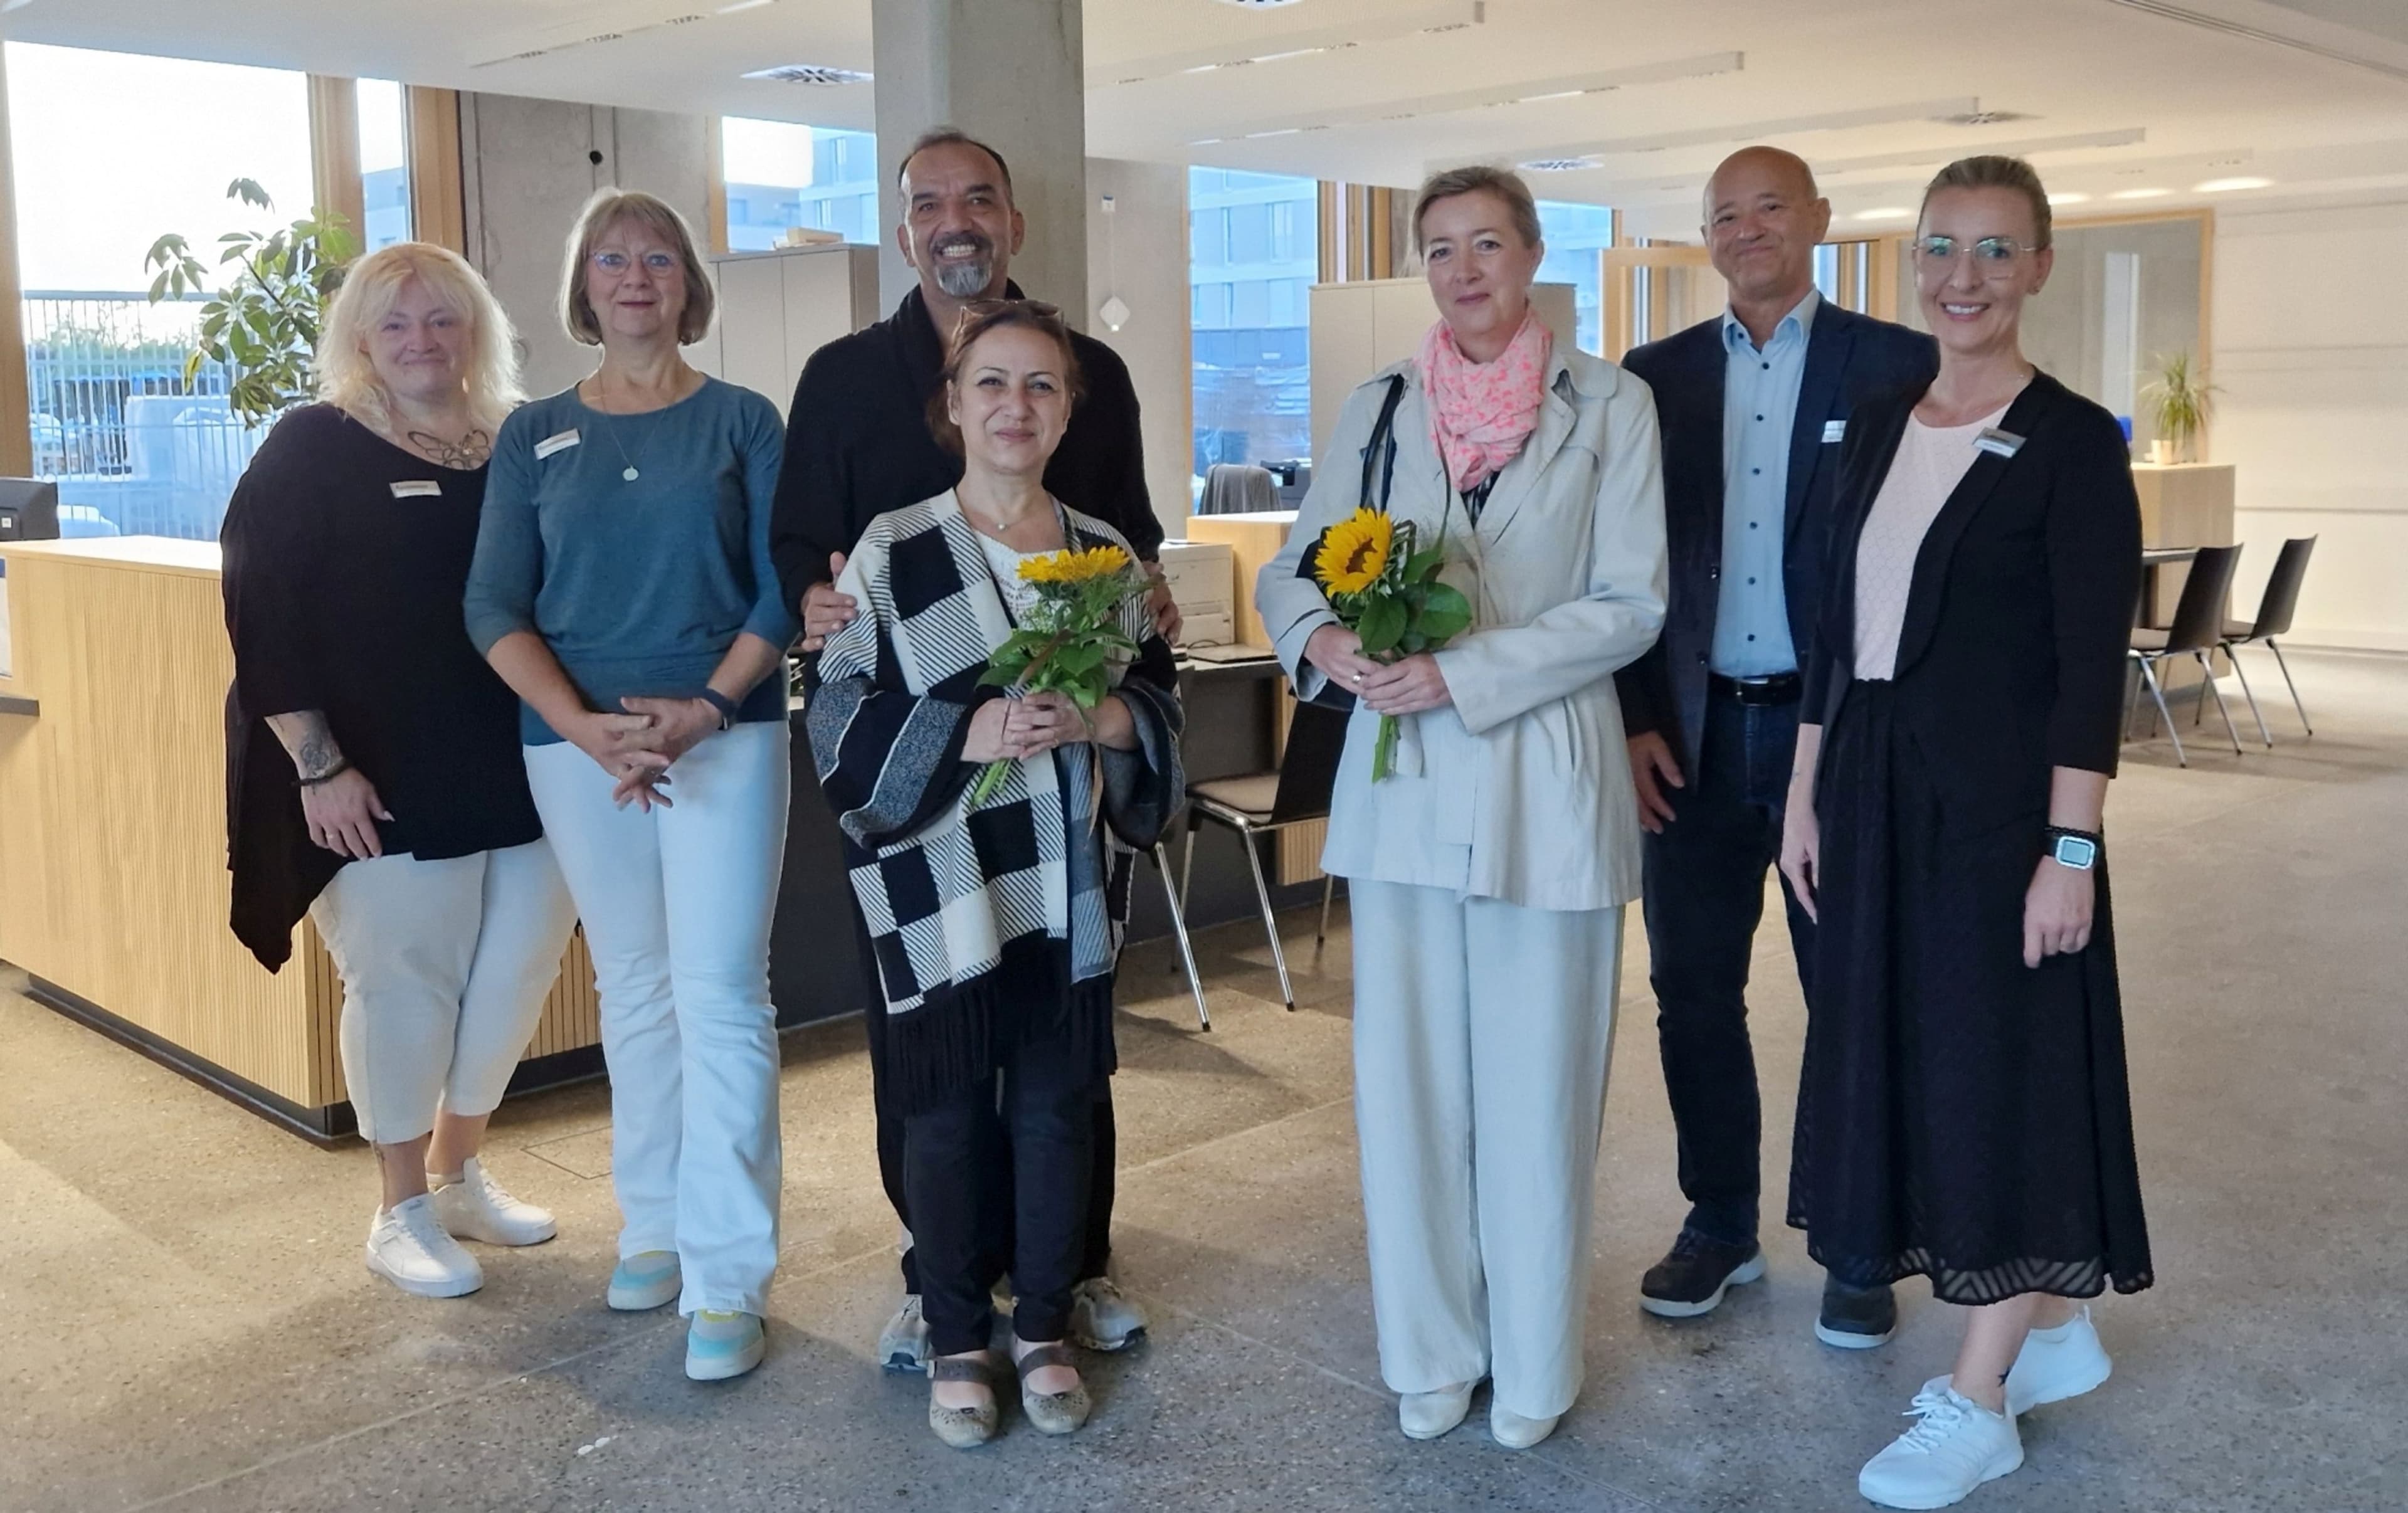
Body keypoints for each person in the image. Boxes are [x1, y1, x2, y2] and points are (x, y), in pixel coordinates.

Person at [1257, 166, 1666, 1450]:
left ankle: (1536, 1363)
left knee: (1541, 1088)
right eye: (1441, 249)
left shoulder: (1612, 404)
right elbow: (1295, 567)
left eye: (1488, 243)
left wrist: (1465, 671)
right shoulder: (1380, 404)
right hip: (1404, 779)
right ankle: (1430, 1350)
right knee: (1410, 1088)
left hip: (1547, 771)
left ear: (1533, 254)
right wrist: (1325, 643)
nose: (1465, 269)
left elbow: (1632, 603)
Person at [1777, 156, 2151, 1509]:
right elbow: (1834, 629)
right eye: (1942, 246)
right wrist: (1805, 790)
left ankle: (1979, 1398)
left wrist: (2072, 852)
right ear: (1912, 261)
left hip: (1998, 817)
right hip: (1869, 790)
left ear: (2039, 267)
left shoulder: (2073, 442)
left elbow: (2086, 669)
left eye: (1997, 250)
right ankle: (2051, 1328)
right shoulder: (1881, 420)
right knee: (1911, 1061)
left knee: (2000, 1072)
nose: (1964, 276)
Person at [768, 126, 1170, 1371]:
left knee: (1062, 1066)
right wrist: (815, 608)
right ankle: (936, 1281)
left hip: (1055, 801)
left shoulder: (1094, 372)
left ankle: (1068, 1271)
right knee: (929, 1059)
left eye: (980, 199)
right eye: (931, 203)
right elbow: (798, 549)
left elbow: (1133, 545)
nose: (957, 220)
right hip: (919, 800)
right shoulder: (843, 379)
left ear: (1013, 222)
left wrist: (1134, 634)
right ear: (904, 232)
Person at [465, 189, 800, 1382]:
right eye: (611, 258)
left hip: (728, 733)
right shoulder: (534, 433)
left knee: (721, 993)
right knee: (636, 987)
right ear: (583, 286)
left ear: (689, 285)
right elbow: (492, 603)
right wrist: (585, 727)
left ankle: (728, 1275)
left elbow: (782, 587)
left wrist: (703, 709)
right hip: (574, 746)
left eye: (658, 257)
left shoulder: (743, 421)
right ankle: (653, 1225)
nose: (635, 275)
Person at [1615, 148, 1937, 1344]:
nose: (1747, 230)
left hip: (1836, 740)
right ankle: (1719, 1221)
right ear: (1706, 237)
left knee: (1849, 989)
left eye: (1770, 208)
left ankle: (1858, 1238)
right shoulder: (1653, 379)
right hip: (1690, 741)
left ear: (1819, 221)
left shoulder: (1897, 364)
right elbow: (1624, 565)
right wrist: (1635, 717)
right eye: (1725, 215)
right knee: (1692, 991)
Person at [221, 241, 578, 1299]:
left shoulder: (515, 439)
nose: (422, 340)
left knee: (518, 969)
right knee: (406, 978)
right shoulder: (314, 443)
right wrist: (318, 765)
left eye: (442, 319)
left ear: (476, 331)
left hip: (519, 755)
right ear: (361, 340)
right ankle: (399, 1207)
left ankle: (458, 1173)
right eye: (395, 323)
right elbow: (259, 607)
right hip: (371, 771)